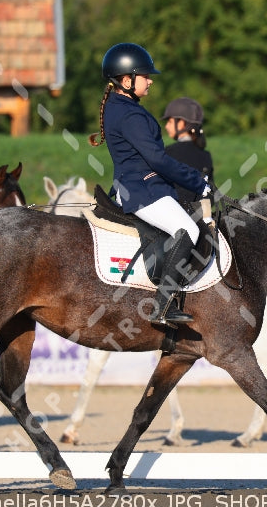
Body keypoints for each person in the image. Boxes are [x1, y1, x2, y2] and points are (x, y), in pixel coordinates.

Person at [89, 43, 211, 326]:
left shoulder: (120, 106)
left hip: (136, 185)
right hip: (144, 190)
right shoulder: (130, 115)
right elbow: (157, 159)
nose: (151, 80)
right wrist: (197, 181)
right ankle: (163, 306)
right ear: (127, 80)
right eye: (145, 76)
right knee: (188, 230)